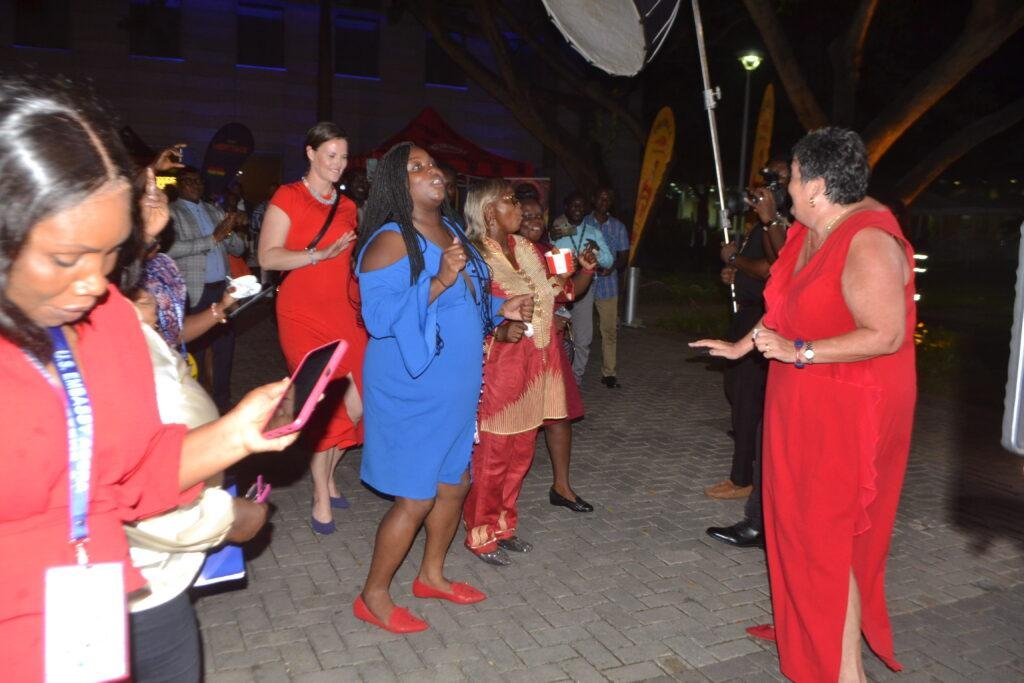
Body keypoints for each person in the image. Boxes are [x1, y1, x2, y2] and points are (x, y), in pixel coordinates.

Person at [0, 76, 297, 683]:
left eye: (110, 254)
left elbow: (132, 470)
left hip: (98, 611)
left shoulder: (105, 317)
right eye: (67, 258)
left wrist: (236, 436)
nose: (94, 284)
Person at [691, 127, 916, 682]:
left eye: (789, 178)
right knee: (797, 530)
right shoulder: (807, 228)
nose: (782, 187)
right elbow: (785, 302)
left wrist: (800, 351)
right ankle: (809, 628)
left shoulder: (867, 240)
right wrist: (743, 346)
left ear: (815, 185)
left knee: (825, 542)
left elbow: (886, 334)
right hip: (802, 395)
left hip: (846, 406)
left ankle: (844, 675)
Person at [352, 143, 533, 633]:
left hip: (456, 385)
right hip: (412, 387)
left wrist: (501, 314)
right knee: (415, 497)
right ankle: (373, 594)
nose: (432, 171)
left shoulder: (452, 230)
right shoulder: (391, 241)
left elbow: (465, 304)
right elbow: (380, 318)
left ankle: (431, 575)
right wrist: (438, 278)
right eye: (417, 167)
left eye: (432, 164)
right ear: (397, 183)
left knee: (454, 486)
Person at [461, 181, 598, 566]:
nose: (520, 208)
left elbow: (564, 290)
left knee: (521, 452)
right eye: (509, 202)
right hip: (501, 365)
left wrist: (583, 269)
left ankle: (505, 525)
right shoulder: (473, 255)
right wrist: (498, 328)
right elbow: (460, 310)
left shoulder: (531, 249)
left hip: (540, 364)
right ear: (489, 212)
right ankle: (480, 531)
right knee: (493, 455)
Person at [258, 122, 367, 534]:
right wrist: (320, 253)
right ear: (310, 153)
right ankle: (321, 491)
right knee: (323, 402)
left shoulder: (348, 206)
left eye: (343, 156)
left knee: (358, 400)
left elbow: (349, 263)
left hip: (343, 310)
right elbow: (268, 257)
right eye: (330, 156)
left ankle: (330, 471)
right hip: (302, 312)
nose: (338, 164)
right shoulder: (288, 196)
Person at [706, 156, 791, 543]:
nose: (766, 185)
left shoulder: (785, 222)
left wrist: (737, 260)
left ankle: (745, 479)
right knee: (739, 396)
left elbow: (778, 268)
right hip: (751, 318)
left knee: (748, 401)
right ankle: (745, 477)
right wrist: (734, 271)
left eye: (777, 177)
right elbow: (755, 266)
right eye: (766, 178)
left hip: (768, 320)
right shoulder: (761, 223)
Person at [517, 197, 595, 513]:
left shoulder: (555, 252)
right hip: (517, 346)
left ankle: (562, 486)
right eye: (527, 216)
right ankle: (501, 494)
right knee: (517, 421)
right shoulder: (505, 255)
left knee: (558, 416)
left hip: (549, 344)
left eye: (539, 216)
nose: (535, 221)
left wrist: (587, 270)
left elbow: (570, 291)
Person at [167, 166, 247, 411]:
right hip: (194, 292)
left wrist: (230, 230)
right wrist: (211, 239)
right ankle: (198, 404)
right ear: (179, 184)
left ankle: (222, 401)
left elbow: (238, 249)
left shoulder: (213, 209)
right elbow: (170, 249)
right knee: (196, 350)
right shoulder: (172, 213)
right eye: (188, 181)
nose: (194, 185)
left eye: (198, 181)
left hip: (221, 290)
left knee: (225, 348)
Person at [550, 191, 613, 384]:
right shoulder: (557, 231)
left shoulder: (594, 233)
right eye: (573, 205)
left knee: (583, 338)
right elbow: (548, 257)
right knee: (555, 336)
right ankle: (556, 377)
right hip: (558, 289)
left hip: (584, 291)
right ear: (566, 207)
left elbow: (609, 261)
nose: (577, 209)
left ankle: (575, 379)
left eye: (581, 206)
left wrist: (597, 250)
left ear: (586, 209)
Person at [589, 186, 630, 388]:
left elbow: (624, 256)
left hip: (608, 284)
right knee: (580, 332)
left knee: (609, 330)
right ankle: (573, 372)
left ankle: (609, 373)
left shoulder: (618, 227)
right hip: (584, 285)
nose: (604, 201)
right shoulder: (583, 223)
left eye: (608, 198)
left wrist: (612, 267)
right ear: (594, 199)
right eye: (601, 197)